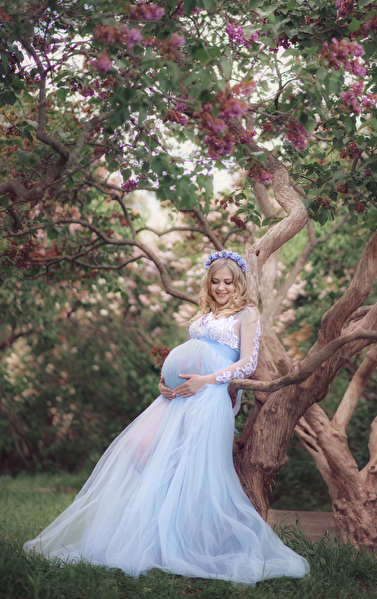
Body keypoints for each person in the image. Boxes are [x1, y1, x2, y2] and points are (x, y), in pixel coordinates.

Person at [24, 250, 310, 584]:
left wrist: (205, 380)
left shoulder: (247, 314)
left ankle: (186, 542)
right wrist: (165, 380)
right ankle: (158, 536)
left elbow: (247, 362)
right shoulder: (205, 313)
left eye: (228, 282)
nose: (221, 288)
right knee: (139, 446)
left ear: (239, 284)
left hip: (207, 395)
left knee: (189, 468)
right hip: (175, 397)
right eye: (215, 282)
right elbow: (190, 352)